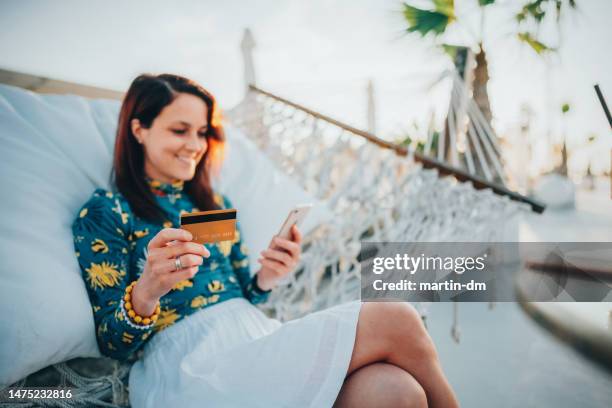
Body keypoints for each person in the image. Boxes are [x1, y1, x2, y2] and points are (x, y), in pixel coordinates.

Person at [72, 73, 459, 408]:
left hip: (254, 337)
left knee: (396, 392)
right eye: (179, 129)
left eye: (203, 131)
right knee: (395, 315)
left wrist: (267, 278)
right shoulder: (107, 211)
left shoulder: (214, 204)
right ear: (139, 129)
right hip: (189, 366)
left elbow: (243, 292)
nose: (194, 143)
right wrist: (147, 291)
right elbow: (112, 343)